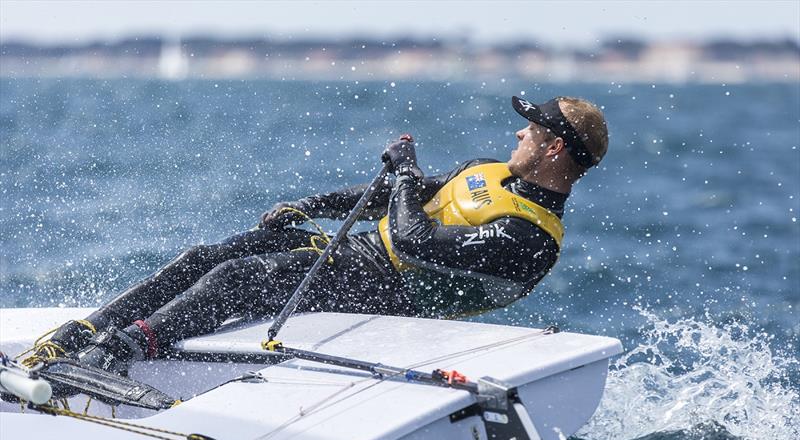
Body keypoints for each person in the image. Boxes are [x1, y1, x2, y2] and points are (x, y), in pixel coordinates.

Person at [33, 95, 609, 377]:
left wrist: (406, 170)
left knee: (239, 280)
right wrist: (312, 207)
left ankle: (118, 352)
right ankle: (83, 331)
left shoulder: (531, 240)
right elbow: (391, 198)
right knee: (206, 256)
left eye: (531, 130)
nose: (519, 132)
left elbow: (412, 243)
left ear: (555, 148)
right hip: (354, 257)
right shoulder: (489, 170)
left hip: (392, 299)